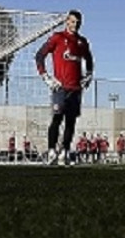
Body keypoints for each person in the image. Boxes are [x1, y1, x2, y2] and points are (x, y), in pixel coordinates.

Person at [35, 9, 94, 166]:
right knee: (57, 118)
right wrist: (46, 76)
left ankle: (65, 152)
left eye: (78, 22)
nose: (76, 25)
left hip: (76, 88)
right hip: (60, 87)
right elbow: (40, 55)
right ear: (67, 21)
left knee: (71, 121)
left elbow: (89, 59)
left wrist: (89, 75)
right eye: (73, 21)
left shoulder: (82, 42)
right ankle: (51, 151)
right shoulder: (58, 37)